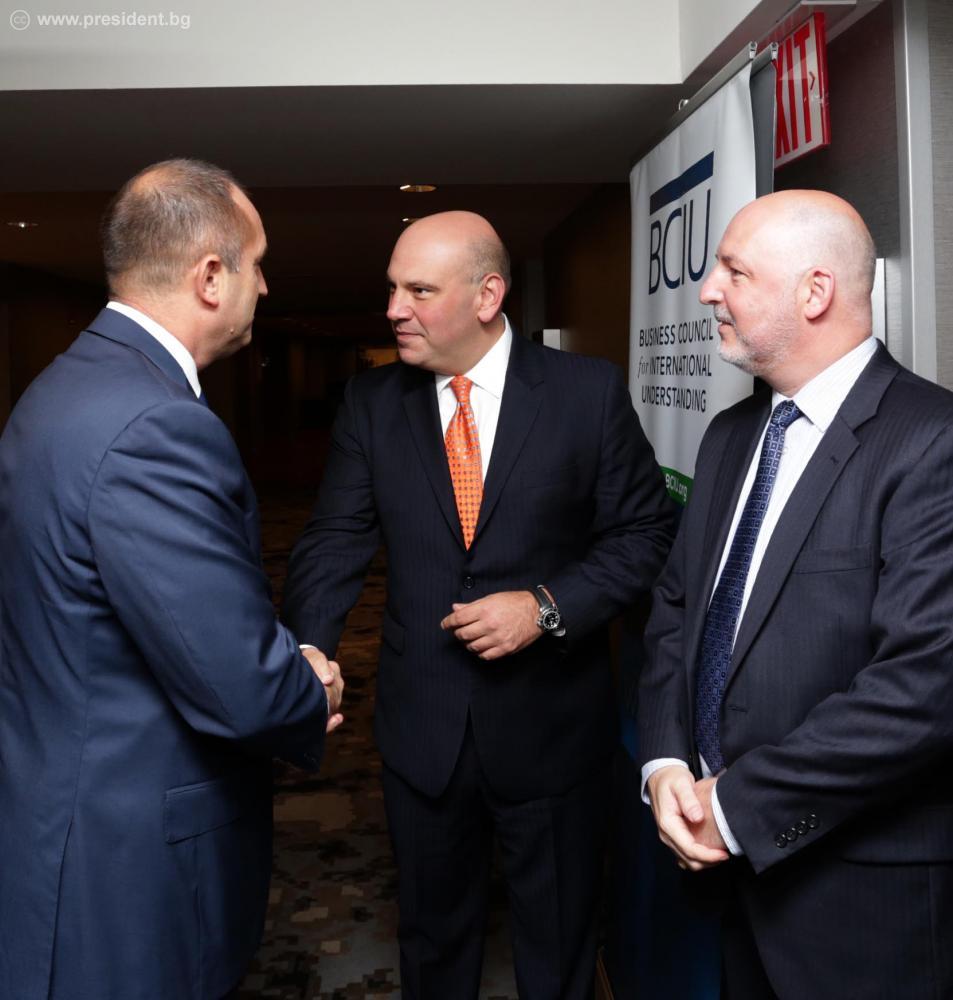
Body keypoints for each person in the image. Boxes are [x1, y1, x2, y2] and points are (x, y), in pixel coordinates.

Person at [283, 211, 675, 999]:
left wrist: (545, 606)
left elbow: (645, 534)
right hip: (422, 724)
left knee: (559, 940)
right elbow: (335, 537)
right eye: (391, 288)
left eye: (418, 290)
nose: (393, 309)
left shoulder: (585, 392)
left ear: (487, 295)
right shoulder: (371, 402)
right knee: (432, 937)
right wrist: (308, 648)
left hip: (551, 724)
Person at [0, 159, 344, 1000]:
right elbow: (238, 685)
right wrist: (310, 686)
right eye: (258, 265)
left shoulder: (61, 387)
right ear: (210, 276)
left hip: (60, 814)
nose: (266, 286)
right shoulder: (157, 423)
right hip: (124, 862)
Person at [638, 189, 953, 998]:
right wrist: (666, 761)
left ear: (814, 292)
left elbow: (923, 686)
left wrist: (733, 808)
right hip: (734, 886)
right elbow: (677, 610)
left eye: (733, 271)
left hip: (862, 897)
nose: (706, 290)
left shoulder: (932, 441)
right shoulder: (729, 436)